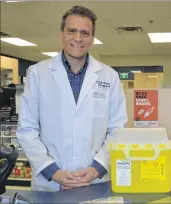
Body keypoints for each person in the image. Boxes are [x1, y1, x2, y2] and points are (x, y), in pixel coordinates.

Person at [17, 5, 127, 192]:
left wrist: (96, 168)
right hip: (50, 184)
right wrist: (52, 171)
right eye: (72, 31)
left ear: (92, 38)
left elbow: (118, 130)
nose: (78, 38)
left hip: (95, 181)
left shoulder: (109, 76)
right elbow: (27, 129)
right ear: (61, 34)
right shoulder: (37, 73)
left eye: (85, 33)